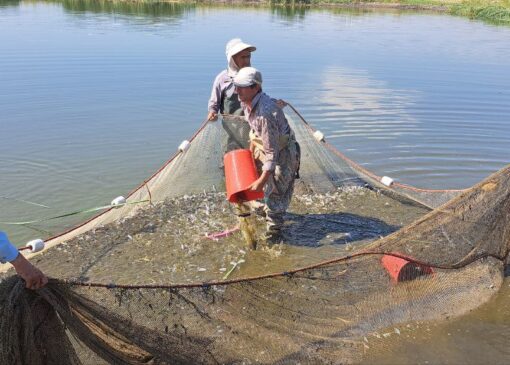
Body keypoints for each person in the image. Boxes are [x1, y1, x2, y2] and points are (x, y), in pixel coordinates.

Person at [233, 67, 299, 245]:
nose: (237, 91)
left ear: (256, 88)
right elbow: (255, 131)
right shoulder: (246, 102)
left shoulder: (265, 112)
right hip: (265, 147)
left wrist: (262, 179)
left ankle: (274, 239)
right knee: (264, 195)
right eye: (236, 86)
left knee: (276, 196)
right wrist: (251, 151)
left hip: (282, 153)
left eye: (242, 87)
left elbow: (272, 153)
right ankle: (266, 212)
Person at [207, 38, 256, 121]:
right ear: (232, 59)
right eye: (243, 57)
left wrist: (273, 103)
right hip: (230, 128)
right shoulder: (222, 79)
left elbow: (259, 98)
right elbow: (214, 105)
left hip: (251, 126)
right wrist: (212, 113)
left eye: (248, 57)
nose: (247, 60)